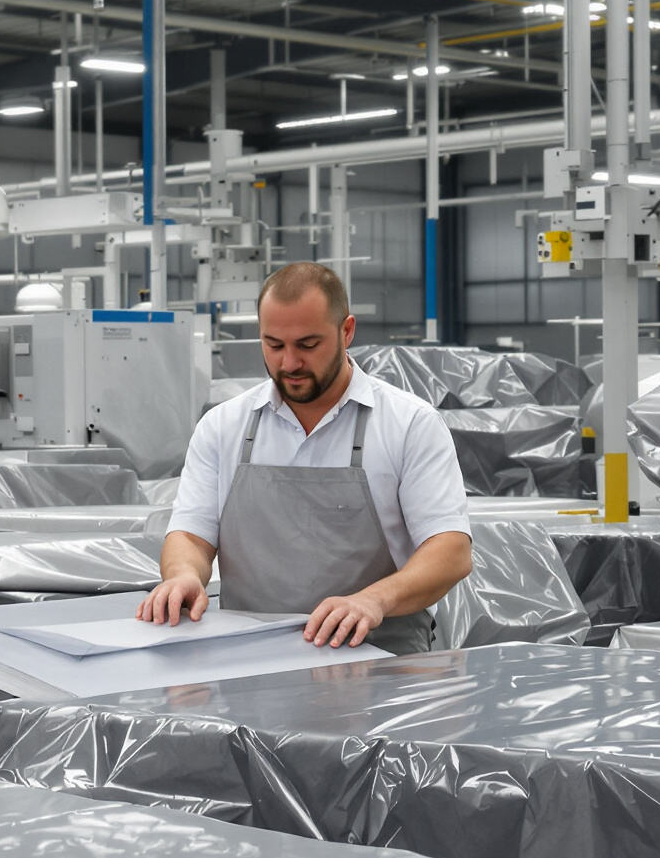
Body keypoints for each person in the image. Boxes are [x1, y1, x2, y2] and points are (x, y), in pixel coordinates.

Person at [140, 262, 472, 652]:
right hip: (248, 659)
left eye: (308, 345)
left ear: (346, 331)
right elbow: (191, 535)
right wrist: (183, 575)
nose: (290, 363)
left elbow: (449, 551)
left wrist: (374, 600)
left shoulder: (409, 424)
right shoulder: (223, 426)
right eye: (274, 345)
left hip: (380, 659)